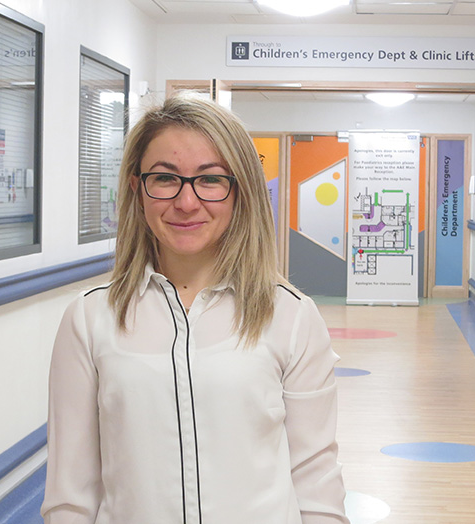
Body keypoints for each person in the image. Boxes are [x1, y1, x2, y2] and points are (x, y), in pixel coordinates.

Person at [41, 93, 349, 524]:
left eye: (211, 180)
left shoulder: (292, 316)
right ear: (137, 188)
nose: (187, 203)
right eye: (165, 179)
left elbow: (316, 483)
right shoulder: (90, 319)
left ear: (239, 191)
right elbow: (70, 496)